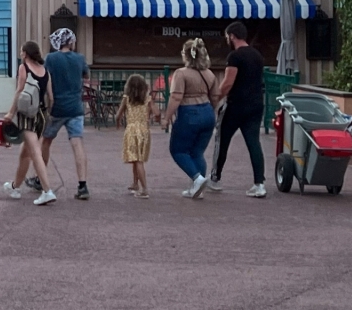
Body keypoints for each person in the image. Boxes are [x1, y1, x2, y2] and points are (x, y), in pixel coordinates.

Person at [28, 28, 91, 200]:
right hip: (76, 108)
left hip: (56, 107)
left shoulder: (51, 59)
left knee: (46, 141)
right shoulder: (79, 58)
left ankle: (40, 179)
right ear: (70, 42)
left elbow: (43, 76)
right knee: (77, 144)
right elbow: (85, 74)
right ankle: (82, 185)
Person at [208, 21, 267, 197]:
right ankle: (259, 183)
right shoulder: (258, 56)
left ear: (232, 36)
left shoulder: (235, 57)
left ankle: (215, 178)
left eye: (227, 36)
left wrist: (215, 99)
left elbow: (227, 83)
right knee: (254, 143)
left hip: (236, 106)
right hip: (256, 104)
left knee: (222, 140)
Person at [2, 41, 58, 205]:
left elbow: (19, 90)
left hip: (27, 115)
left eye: (21, 51)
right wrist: (47, 115)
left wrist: (11, 113)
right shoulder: (45, 71)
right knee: (24, 154)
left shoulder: (23, 68)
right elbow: (51, 97)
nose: (20, 54)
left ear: (26, 53)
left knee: (34, 152)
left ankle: (47, 190)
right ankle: (15, 187)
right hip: (41, 115)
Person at [163, 38, 218, 199]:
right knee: (197, 152)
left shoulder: (181, 74)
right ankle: (197, 187)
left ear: (185, 55)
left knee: (178, 150)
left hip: (189, 113)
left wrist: (166, 118)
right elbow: (215, 97)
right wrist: (210, 112)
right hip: (207, 112)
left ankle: (197, 178)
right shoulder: (210, 74)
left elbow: (176, 97)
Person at [114, 74, 160, 198]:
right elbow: (157, 113)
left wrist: (118, 123)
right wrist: (155, 117)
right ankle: (135, 183)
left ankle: (145, 189)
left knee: (137, 160)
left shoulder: (126, 98)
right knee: (137, 158)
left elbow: (118, 115)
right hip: (144, 130)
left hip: (132, 130)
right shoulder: (148, 99)